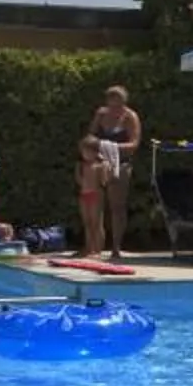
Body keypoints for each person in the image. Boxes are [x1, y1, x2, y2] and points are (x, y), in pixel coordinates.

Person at [78, 84, 143, 258]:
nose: (115, 109)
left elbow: (134, 144)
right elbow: (91, 135)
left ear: (124, 103)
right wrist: (90, 147)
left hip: (119, 165)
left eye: (119, 105)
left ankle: (116, 246)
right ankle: (92, 247)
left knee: (116, 206)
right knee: (94, 208)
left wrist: (107, 146)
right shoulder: (101, 114)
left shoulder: (130, 117)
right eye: (112, 105)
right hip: (99, 165)